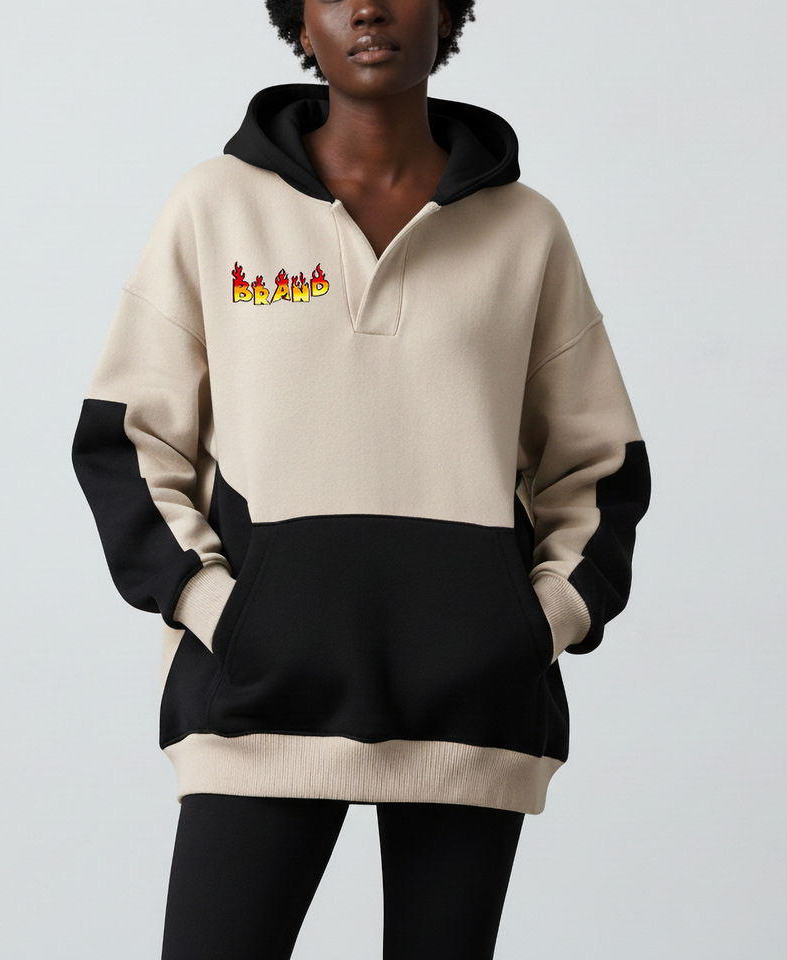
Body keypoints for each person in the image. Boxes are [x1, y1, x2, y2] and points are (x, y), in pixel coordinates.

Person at [70, 2, 652, 957]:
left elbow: (599, 466)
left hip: (470, 711)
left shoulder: (526, 230)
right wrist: (223, 613)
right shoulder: (216, 205)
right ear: (301, 22)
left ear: (448, 11)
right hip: (258, 702)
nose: (369, 6)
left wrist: (532, 626)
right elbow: (126, 440)